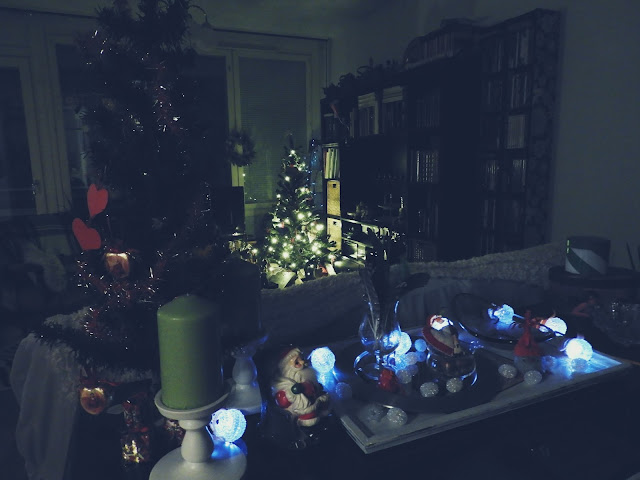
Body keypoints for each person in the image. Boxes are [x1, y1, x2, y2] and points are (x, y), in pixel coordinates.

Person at [271, 347, 330, 427]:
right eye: (296, 362)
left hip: (316, 407)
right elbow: (282, 402)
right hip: (300, 414)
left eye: (302, 358)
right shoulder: (284, 384)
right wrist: (291, 394)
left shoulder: (308, 375)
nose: (302, 362)